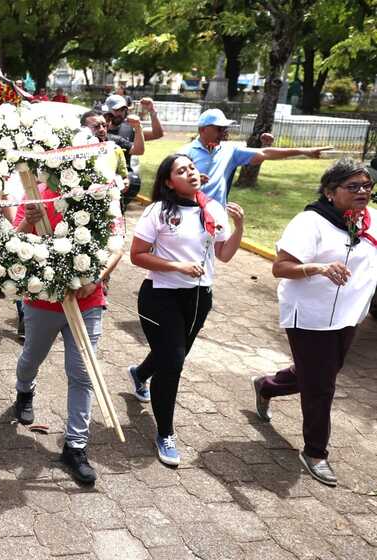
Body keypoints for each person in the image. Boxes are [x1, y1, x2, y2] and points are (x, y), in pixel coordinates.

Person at [252, 159, 377, 486]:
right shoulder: (310, 223)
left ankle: (267, 385)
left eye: (367, 186)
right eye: (353, 186)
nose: (363, 191)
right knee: (321, 386)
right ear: (330, 191)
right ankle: (315, 452)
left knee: (320, 373)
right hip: (310, 316)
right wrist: (319, 268)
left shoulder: (369, 220)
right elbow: (280, 267)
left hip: (349, 315)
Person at [129, 154, 244, 467]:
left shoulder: (212, 208)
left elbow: (224, 253)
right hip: (160, 296)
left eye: (192, 168)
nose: (191, 173)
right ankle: (165, 433)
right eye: (182, 171)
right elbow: (137, 255)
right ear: (169, 182)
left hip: (198, 298)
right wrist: (177, 266)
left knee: (171, 355)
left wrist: (239, 227)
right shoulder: (158, 211)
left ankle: (139, 373)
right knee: (173, 363)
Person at [11, 183, 125, 484]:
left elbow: (116, 246)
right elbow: (12, 243)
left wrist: (95, 279)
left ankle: (75, 446)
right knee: (31, 358)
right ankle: (24, 389)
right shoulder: (34, 191)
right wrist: (28, 222)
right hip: (42, 300)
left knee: (83, 373)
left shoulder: (98, 190)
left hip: (87, 302)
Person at [183, 109, 332, 206]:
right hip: (190, 211)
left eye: (225, 128)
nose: (223, 133)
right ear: (202, 130)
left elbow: (266, 153)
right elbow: (172, 184)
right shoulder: (185, 153)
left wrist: (304, 151)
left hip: (216, 217)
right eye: (218, 128)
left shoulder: (230, 151)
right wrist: (191, 180)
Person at [105, 95, 163, 206]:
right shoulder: (98, 128)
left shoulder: (130, 127)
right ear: (107, 110)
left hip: (123, 179)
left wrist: (152, 111)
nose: (120, 113)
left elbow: (157, 134)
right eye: (116, 110)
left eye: (123, 110)